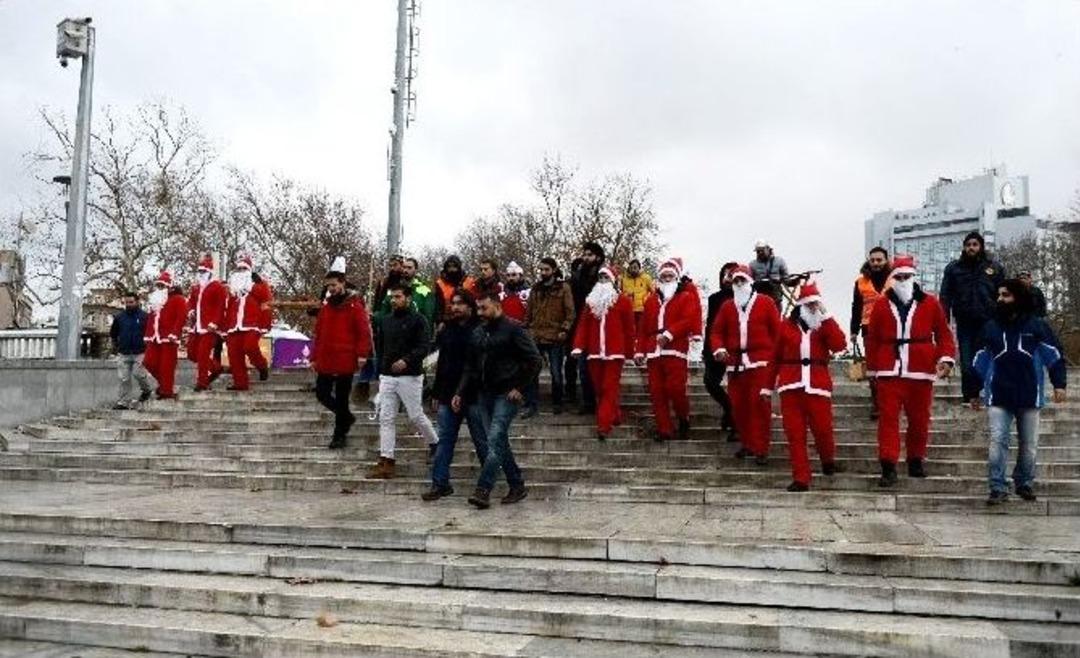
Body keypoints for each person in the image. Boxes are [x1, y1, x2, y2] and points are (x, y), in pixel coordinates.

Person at [974, 279, 1067, 505]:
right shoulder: (990, 327)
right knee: (997, 441)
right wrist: (973, 391)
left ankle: (1024, 483)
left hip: (1030, 394)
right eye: (999, 295)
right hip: (998, 394)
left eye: (1005, 295)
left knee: (1029, 445)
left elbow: (1054, 357)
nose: (1000, 299)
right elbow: (979, 360)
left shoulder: (1037, 326)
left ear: (1018, 297)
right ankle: (997, 486)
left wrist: (1059, 384)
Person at [865, 255, 956, 487]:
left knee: (919, 419)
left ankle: (915, 459)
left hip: (920, 369)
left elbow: (944, 335)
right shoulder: (882, 304)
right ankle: (888, 465)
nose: (903, 279)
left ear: (913, 276)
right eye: (899, 276)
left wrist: (946, 358)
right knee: (888, 420)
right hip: (889, 370)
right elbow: (873, 339)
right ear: (892, 278)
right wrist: (872, 370)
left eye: (907, 276)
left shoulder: (931, 303)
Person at [457, 293, 542, 509]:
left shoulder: (514, 329)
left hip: (507, 393)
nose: (480, 313)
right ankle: (516, 484)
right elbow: (470, 366)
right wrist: (460, 391)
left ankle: (483, 489)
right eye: (478, 309)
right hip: (485, 393)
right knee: (498, 441)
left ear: (497, 306)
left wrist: (520, 387)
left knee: (495, 439)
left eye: (484, 308)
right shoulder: (479, 332)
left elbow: (534, 360)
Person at [761, 282, 847, 491]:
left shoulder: (823, 327)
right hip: (791, 387)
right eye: (808, 305)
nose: (812, 308)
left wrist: (826, 316)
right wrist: (766, 386)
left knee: (823, 430)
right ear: (799, 306)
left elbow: (839, 345)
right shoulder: (785, 326)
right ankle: (801, 477)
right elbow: (774, 358)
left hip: (817, 387)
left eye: (815, 305)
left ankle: (828, 459)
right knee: (795, 433)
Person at [422, 289, 489, 501]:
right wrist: (435, 391)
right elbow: (441, 362)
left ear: (470, 306)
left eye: (460, 303)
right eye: (453, 303)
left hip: (474, 394)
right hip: (447, 392)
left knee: (482, 442)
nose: (456, 307)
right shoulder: (447, 330)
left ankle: (487, 484)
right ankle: (439, 483)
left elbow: (480, 365)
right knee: (445, 442)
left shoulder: (480, 329)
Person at [711, 264, 780, 464]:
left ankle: (761, 448)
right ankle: (747, 443)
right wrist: (719, 349)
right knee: (738, 407)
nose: (739, 284)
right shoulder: (727, 306)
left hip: (760, 363)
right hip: (735, 364)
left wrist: (777, 363)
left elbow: (777, 334)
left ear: (750, 282)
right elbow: (716, 332)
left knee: (758, 407)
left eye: (742, 280)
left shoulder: (766, 303)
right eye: (736, 281)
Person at [368, 282, 439, 479]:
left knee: (415, 415)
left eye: (398, 297)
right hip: (388, 376)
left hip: (410, 376)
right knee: (386, 418)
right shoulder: (386, 320)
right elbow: (381, 346)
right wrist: (382, 369)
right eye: (392, 297)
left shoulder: (419, 320)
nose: (394, 300)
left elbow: (424, 347)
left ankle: (435, 443)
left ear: (408, 298)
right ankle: (387, 459)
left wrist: (406, 360)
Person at [636, 257, 702, 442]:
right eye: (663, 275)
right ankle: (664, 429)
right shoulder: (650, 301)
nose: (666, 277)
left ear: (676, 277)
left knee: (675, 389)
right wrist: (640, 350)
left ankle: (683, 417)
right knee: (656, 392)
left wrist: (669, 334)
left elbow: (688, 320)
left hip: (675, 349)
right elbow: (643, 329)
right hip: (653, 351)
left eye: (670, 275)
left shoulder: (685, 297)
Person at [311, 257, 373, 449]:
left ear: (343, 283)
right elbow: (318, 333)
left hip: (345, 357)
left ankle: (339, 434)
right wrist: (313, 356)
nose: (331, 288)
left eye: (334, 284)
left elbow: (363, 332)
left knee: (342, 396)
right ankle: (346, 417)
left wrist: (362, 354)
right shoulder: (326, 307)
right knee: (322, 393)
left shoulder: (355, 306)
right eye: (329, 285)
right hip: (326, 357)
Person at [939, 231, 1005, 403]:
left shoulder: (995, 268)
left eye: (975, 245)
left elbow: (1003, 294)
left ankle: (982, 392)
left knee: (983, 360)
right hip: (965, 322)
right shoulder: (954, 268)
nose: (971, 248)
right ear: (964, 247)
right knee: (967, 363)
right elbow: (945, 295)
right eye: (968, 245)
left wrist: (1003, 318)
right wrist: (943, 318)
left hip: (988, 321)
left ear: (981, 246)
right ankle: (969, 396)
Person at [572, 265, 635, 440]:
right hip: (594, 353)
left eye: (606, 278)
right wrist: (578, 346)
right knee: (600, 389)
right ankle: (614, 414)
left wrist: (630, 353)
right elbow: (583, 326)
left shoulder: (622, 301)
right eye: (600, 278)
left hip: (615, 353)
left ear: (613, 281)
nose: (602, 281)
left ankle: (603, 426)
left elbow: (629, 329)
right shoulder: (590, 302)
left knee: (609, 387)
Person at [523, 257, 575, 415]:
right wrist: (527, 329)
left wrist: (564, 330)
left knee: (556, 372)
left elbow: (570, 311)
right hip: (536, 335)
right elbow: (529, 312)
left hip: (555, 336)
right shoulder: (536, 289)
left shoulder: (563, 288)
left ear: (553, 270)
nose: (543, 272)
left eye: (546, 269)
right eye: (541, 269)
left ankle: (557, 403)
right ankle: (531, 405)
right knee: (532, 372)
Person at [850, 246, 892, 419]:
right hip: (869, 328)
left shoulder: (895, 279)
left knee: (888, 366)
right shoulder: (861, 282)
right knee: (873, 368)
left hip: (892, 328)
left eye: (879, 260)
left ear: (886, 261)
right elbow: (856, 307)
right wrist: (853, 330)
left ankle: (889, 402)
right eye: (873, 260)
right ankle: (877, 404)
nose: (875, 263)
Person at [223, 255, 272, 391]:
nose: (241, 271)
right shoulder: (233, 290)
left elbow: (266, 303)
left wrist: (265, 324)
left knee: (250, 347)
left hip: (252, 323)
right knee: (234, 354)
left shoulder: (258, 284)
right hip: (234, 325)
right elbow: (227, 308)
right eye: (239, 268)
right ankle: (240, 383)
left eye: (244, 268)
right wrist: (225, 327)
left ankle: (262, 366)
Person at [567, 242, 604, 413]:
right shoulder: (579, 274)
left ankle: (600, 401)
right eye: (584, 254)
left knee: (596, 368)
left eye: (589, 255)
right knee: (582, 367)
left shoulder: (602, 275)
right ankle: (587, 402)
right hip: (579, 323)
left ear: (597, 257)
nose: (585, 258)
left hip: (598, 325)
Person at [702, 262, 738, 440]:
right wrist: (707, 348)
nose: (729, 278)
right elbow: (710, 325)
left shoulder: (746, 296)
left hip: (739, 348)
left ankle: (736, 425)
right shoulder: (714, 298)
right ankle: (729, 408)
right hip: (717, 346)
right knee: (710, 381)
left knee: (738, 387)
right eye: (726, 274)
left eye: (733, 274)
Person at [143, 271, 187, 400]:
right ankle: (165, 385)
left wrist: (175, 333)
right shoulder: (155, 301)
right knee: (148, 362)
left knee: (167, 366)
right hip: (154, 337)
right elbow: (150, 319)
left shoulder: (178, 299)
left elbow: (181, 317)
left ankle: (166, 391)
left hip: (169, 337)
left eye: (163, 286)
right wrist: (147, 334)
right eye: (159, 286)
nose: (160, 288)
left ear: (169, 287)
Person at [187, 254, 227, 392]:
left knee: (203, 354)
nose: (201, 274)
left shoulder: (217, 287)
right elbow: (191, 302)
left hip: (209, 327)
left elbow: (220, 307)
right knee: (192, 353)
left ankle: (202, 383)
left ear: (209, 272)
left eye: (203, 271)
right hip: (196, 326)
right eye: (199, 271)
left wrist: (215, 323)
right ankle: (216, 368)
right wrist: (191, 311)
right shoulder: (196, 288)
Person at [110, 290, 153, 409]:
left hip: (140, 351)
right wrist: (116, 345)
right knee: (123, 378)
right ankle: (123, 402)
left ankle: (147, 390)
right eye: (126, 302)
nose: (128, 304)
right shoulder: (120, 317)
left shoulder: (145, 316)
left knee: (139, 374)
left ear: (137, 302)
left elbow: (150, 332)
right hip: (124, 352)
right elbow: (113, 333)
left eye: (131, 302)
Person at [376, 257, 437, 329]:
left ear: (416, 270)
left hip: (415, 332)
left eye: (409, 268)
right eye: (404, 267)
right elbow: (384, 311)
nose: (405, 270)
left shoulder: (425, 291)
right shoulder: (393, 289)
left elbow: (428, 316)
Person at [433, 255, 476, 326]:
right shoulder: (440, 283)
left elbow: (473, 303)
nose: (451, 269)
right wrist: (440, 321)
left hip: (467, 320)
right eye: (449, 267)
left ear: (459, 267)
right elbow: (438, 306)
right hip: (447, 321)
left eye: (454, 266)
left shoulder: (469, 282)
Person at [620, 259, 653, 332]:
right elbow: (620, 293)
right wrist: (626, 295)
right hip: (628, 309)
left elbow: (653, 292)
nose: (633, 270)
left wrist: (647, 300)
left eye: (635, 267)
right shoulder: (624, 279)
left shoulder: (646, 278)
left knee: (640, 330)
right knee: (629, 330)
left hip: (641, 310)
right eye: (631, 268)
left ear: (639, 268)